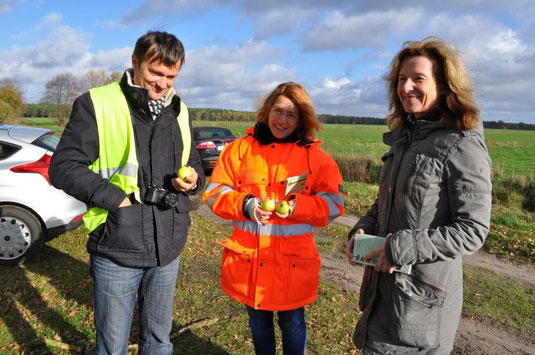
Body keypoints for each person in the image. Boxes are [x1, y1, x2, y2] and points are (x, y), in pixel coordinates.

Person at [49, 30, 205, 354]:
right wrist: (115, 199)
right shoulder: (97, 103)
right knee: (112, 346)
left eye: (170, 76)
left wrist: (192, 181)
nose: (162, 83)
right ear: (135, 63)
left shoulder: (180, 110)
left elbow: (194, 164)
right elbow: (63, 167)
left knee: (160, 341)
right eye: (155, 72)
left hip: (168, 248)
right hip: (117, 245)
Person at [344, 37, 492, 354]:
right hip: (382, 294)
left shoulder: (461, 142)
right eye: (401, 79)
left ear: (443, 84)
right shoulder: (407, 137)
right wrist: (363, 229)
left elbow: (473, 230)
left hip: (420, 308)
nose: (406, 87)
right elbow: (385, 200)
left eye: (418, 79)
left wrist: (398, 248)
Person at [203, 82, 345, 354]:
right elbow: (214, 192)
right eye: (278, 111)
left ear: (302, 119)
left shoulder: (316, 158)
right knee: (258, 325)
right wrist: (247, 205)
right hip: (250, 262)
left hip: (292, 265)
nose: (282, 120)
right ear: (266, 111)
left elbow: (334, 204)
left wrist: (296, 207)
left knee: (293, 324)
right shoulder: (240, 150)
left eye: (291, 114)